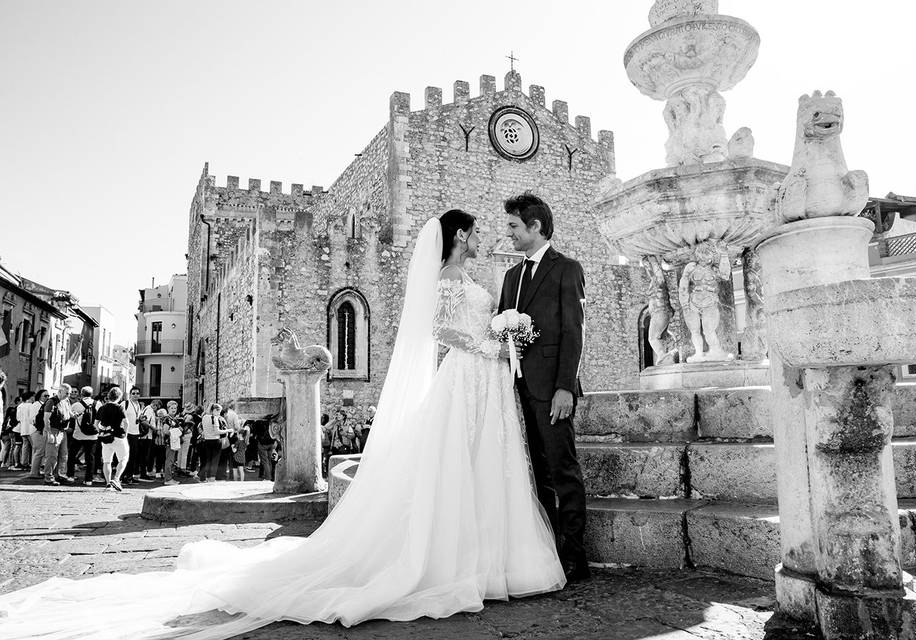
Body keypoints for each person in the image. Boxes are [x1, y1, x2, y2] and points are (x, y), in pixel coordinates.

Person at [0, 211, 565, 637]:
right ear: (459, 237)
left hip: (488, 382)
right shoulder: (442, 283)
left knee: (484, 463)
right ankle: (459, 560)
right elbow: (438, 333)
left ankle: (492, 556)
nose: (489, 235)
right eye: (474, 231)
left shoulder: (481, 278)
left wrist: (505, 335)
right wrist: (491, 345)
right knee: (456, 464)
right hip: (468, 375)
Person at [498, 192, 590, 582]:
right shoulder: (511, 276)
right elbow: (501, 324)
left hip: (554, 389)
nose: (510, 234)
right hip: (519, 388)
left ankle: (575, 555)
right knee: (537, 471)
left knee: (563, 469)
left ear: (535, 227)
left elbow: (574, 330)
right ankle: (547, 550)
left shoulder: (567, 268)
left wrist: (565, 388)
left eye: (515, 227)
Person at [96, 386, 129, 491]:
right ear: (119, 397)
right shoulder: (119, 407)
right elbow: (126, 422)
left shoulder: (102, 407)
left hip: (105, 437)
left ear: (108, 396)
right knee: (123, 458)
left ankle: (108, 483)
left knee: (107, 461)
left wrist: (100, 431)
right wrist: (126, 433)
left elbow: (96, 423)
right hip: (118, 436)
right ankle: (116, 478)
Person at [42, 383, 74, 486]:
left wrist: (74, 416)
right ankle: (48, 478)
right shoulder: (51, 402)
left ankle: (60, 475)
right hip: (53, 430)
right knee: (52, 456)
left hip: (62, 431)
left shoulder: (66, 401)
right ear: (59, 391)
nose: (68, 395)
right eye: (66, 393)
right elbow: (46, 419)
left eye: (69, 393)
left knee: (64, 455)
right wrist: (49, 433)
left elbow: (69, 413)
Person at [68, 386, 99, 486]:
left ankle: (70, 476)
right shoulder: (98, 404)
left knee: (72, 455)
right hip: (93, 435)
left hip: (78, 434)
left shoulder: (76, 405)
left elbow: (71, 418)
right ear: (92, 393)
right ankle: (89, 479)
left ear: (81, 394)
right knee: (90, 457)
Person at [120, 387, 148, 484]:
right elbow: (119, 416)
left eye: (137, 393)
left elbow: (137, 417)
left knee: (133, 456)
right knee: (125, 456)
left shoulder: (138, 405)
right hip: (127, 433)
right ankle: (123, 477)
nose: (135, 395)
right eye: (133, 393)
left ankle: (130, 476)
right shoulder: (125, 403)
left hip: (136, 433)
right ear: (130, 394)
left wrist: (141, 418)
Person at [198, 403, 229, 482]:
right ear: (214, 410)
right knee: (215, 461)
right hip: (216, 440)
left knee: (208, 460)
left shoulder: (204, 417)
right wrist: (229, 430)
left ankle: (207, 477)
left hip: (207, 440)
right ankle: (212, 477)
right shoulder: (216, 418)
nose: (219, 413)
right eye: (218, 411)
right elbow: (217, 431)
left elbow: (202, 429)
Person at [1, 395, 21, 468]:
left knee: (9, 447)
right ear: (18, 401)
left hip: (6, 432)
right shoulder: (15, 410)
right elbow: (14, 421)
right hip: (12, 431)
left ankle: (5, 462)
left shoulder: (8, 413)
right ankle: (9, 463)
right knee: (12, 447)